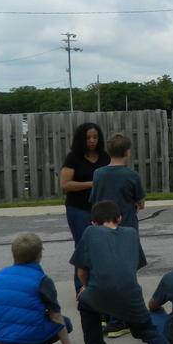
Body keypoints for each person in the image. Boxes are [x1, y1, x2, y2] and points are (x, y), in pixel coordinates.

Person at [69, 200, 173, 344]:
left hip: (97, 293)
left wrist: (86, 287)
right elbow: (132, 266)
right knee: (147, 330)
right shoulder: (131, 233)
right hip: (129, 293)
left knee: (87, 309)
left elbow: (81, 272)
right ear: (119, 218)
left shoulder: (90, 232)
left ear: (93, 222)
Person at [0, 233, 74, 344]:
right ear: (40, 254)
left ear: (14, 254)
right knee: (66, 323)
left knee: (24, 315)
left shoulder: (0, 274)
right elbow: (56, 316)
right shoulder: (42, 281)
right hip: (20, 333)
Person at [89, 132, 146, 338]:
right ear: (127, 152)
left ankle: (105, 314)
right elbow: (140, 202)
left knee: (104, 271)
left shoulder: (98, 174)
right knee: (126, 273)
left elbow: (94, 200)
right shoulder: (132, 176)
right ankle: (119, 321)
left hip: (102, 228)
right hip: (126, 228)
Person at [60, 122, 110, 290]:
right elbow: (65, 184)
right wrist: (91, 184)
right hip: (78, 208)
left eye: (95, 137)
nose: (92, 141)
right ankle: (80, 287)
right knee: (83, 245)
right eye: (88, 138)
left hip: (101, 209)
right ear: (81, 139)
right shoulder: (73, 157)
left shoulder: (104, 157)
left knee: (103, 245)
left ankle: (100, 284)